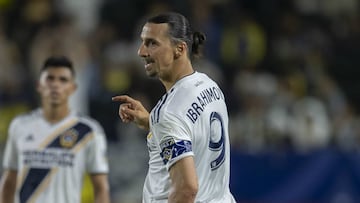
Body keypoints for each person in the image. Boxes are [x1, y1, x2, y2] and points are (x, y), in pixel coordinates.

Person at [112, 12, 236, 202]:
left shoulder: (169, 113)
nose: (141, 52)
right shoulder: (210, 86)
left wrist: (160, 121)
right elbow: (192, 133)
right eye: (143, 42)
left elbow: (186, 189)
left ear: (179, 49)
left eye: (152, 43)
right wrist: (151, 121)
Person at [0, 56, 110, 203]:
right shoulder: (20, 126)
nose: (55, 85)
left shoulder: (89, 131)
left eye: (63, 80)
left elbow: (101, 188)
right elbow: (9, 183)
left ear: (73, 88)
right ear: (39, 85)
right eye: (50, 79)